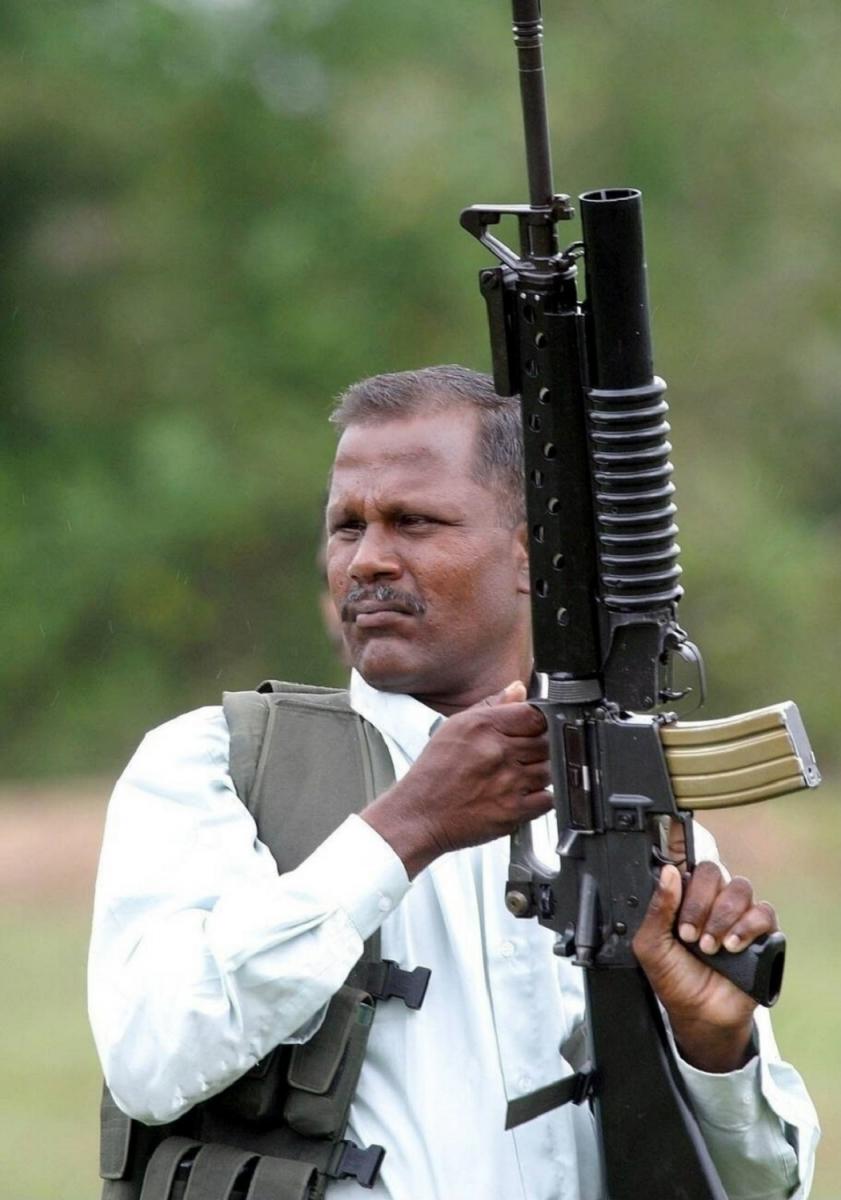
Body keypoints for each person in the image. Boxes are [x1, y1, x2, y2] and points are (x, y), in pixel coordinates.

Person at [89, 365, 819, 1200]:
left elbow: (769, 1186)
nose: (366, 561)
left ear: (531, 556)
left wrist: (712, 1049)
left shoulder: (628, 810)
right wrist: (404, 830)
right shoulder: (216, 762)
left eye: (413, 523)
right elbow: (151, 1059)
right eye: (345, 527)